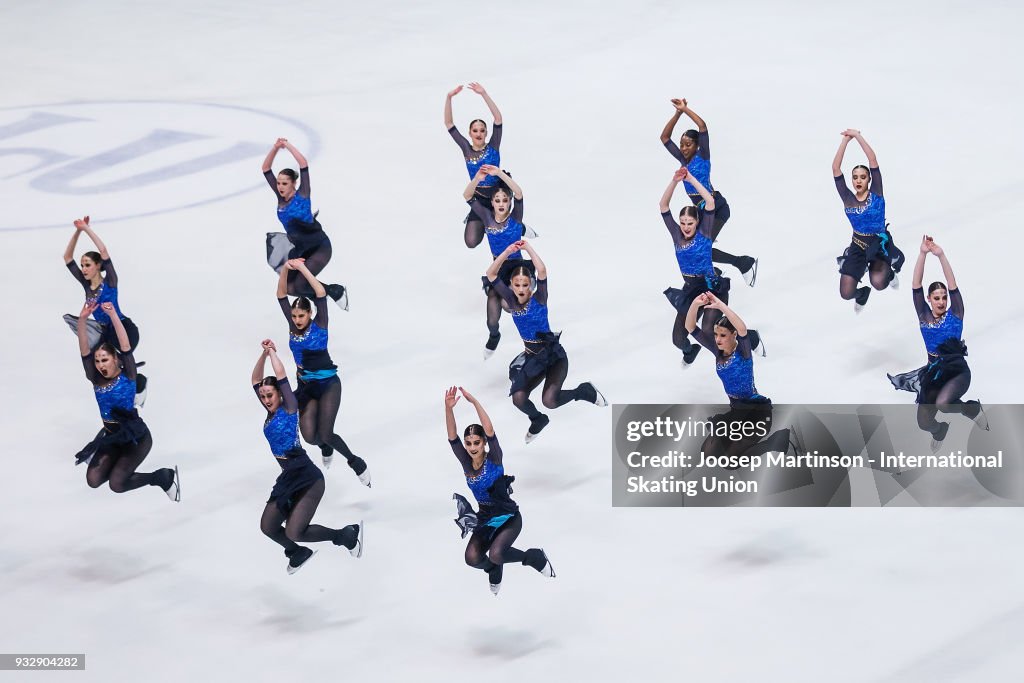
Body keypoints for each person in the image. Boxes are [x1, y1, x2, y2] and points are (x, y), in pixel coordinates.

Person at [253, 340, 363, 574]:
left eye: (270, 395)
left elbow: (281, 376)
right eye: (263, 396)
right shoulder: (269, 410)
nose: (266, 400)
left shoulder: (289, 407)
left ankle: (345, 536)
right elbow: (255, 380)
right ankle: (297, 552)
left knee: (295, 531)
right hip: (288, 477)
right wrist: (262, 356)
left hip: (307, 477)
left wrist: (272, 352)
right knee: (267, 526)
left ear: (279, 394)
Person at [485, 240, 608, 442]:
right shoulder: (511, 299)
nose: (521, 288)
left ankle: (584, 391)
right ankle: (538, 419)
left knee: (550, 400)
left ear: (530, 284)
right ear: (511, 286)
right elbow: (491, 274)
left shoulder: (539, 298)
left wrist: (528, 249)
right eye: (517, 285)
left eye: (525, 284)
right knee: (518, 398)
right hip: (533, 360)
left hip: (553, 357)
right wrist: (507, 251)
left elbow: (542, 271)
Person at [444, 386, 554, 595]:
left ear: (484, 442)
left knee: (496, 553)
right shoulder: (466, 464)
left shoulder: (494, 458)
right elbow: (452, 438)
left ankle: (534, 558)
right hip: (485, 519)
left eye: (476, 442)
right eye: (468, 443)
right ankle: (494, 568)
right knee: (472, 558)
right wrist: (448, 409)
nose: (472, 447)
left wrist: (475, 402)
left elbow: (490, 429)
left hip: (508, 517)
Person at [277, 259, 370, 486]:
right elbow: (280, 295)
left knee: (326, 432)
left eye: (301, 315)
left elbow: (319, 292)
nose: (297, 320)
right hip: (306, 386)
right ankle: (324, 447)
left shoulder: (320, 323)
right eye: (295, 316)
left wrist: (302, 269)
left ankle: (356, 463)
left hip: (328, 384)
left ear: (309, 314)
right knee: (310, 437)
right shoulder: (292, 325)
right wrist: (285, 270)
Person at [74, 302, 179, 501]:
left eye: (104, 360)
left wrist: (114, 315)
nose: (99, 365)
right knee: (94, 480)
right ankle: (112, 462)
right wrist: (82, 320)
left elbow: (125, 346)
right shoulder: (95, 378)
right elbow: (84, 351)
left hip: (136, 439)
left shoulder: (128, 374)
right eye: (97, 361)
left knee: (117, 484)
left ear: (115, 359)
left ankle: (162, 477)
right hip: (112, 436)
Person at [887, 236, 987, 446]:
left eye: (944, 297)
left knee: (943, 404)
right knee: (924, 422)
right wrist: (922, 254)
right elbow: (916, 285)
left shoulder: (956, 314)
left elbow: (953, 285)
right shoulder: (924, 315)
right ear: (929, 299)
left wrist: (940, 255)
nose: (941, 301)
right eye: (937, 297)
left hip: (956, 371)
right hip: (933, 372)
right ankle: (940, 431)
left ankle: (972, 409)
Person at [660, 169, 762, 366]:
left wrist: (691, 179)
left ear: (697, 222)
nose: (685, 227)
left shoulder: (704, 233)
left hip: (712, 288)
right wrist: (674, 181)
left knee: (707, 332)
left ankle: (748, 336)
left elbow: (710, 203)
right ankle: (691, 351)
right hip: (691, 291)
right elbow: (663, 206)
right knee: (678, 339)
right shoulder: (676, 236)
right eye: (682, 223)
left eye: (690, 223)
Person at [660, 98, 757, 285]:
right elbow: (664, 138)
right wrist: (677, 115)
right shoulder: (683, 161)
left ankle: (742, 263)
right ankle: (730, 266)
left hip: (716, 206)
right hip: (703, 211)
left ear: (697, 146)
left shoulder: (703, 156)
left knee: (703, 248)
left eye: (688, 145)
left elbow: (702, 127)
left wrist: (685, 109)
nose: (683, 148)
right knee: (698, 247)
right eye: (682, 145)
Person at [684, 293, 792, 461]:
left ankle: (777, 441)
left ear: (733, 335)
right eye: (716, 334)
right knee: (707, 453)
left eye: (723, 335)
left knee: (731, 460)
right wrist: (695, 304)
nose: (718, 340)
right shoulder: (718, 352)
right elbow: (690, 327)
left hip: (757, 414)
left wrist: (720, 306)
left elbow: (742, 328)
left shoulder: (743, 353)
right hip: (736, 413)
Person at [261, 138, 348, 308]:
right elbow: (265, 169)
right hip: (300, 249)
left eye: (284, 183)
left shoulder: (303, 195)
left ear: (294, 183)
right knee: (289, 288)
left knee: (300, 285)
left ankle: (333, 291)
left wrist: (287, 145)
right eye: (278, 183)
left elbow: (303, 164)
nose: (280, 186)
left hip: (318, 247)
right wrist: (275, 148)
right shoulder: (280, 199)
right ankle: (323, 294)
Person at [832, 129, 905, 311]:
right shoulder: (847, 198)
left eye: (863, 177)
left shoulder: (876, 192)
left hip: (879, 243)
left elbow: (872, 160)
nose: (858, 180)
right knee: (846, 293)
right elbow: (835, 169)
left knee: (879, 283)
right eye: (855, 177)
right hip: (858, 246)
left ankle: (889, 271)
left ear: (869, 179)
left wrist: (857, 137)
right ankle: (862, 294)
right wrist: (844, 142)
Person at [464, 164, 527, 357]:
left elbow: (519, 193)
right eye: (497, 200)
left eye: (505, 200)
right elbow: (467, 196)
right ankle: (494, 336)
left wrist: (499, 173)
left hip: (516, 269)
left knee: (509, 307)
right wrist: (477, 179)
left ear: (509, 203)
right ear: (492, 202)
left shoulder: (515, 217)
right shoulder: (486, 217)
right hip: (497, 267)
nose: (501, 203)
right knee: (492, 317)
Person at [445, 83, 504, 249]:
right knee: (471, 242)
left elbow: (498, 119)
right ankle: (485, 221)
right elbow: (449, 124)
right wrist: (449, 98)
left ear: (486, 133)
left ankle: (509, 225)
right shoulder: (466, 149)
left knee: (500, 237)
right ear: (470, 133)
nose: (479, 134)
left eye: (482, 130)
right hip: (478, 198)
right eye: (475, 130)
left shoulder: (493, 145)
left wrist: (484, 94)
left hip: (498, 197)